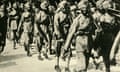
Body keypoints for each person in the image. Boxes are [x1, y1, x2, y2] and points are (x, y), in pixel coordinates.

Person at [63, 0, 94, 72]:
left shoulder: (91, 18)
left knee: (85, 65)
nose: (85, 10)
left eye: (86, 8)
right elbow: (71, 33)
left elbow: (94, 30)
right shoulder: (77, 19)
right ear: (80, 9)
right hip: (80, 41)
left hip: (88, 42)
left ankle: (76, 70)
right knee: (82, 65)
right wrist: (66, 47)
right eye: (83, 9)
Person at [54, 0, 72, 71]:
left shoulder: (69, 14)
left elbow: (72, 23)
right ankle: (57, 64)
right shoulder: (57, 15)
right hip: (60, 34)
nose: (64, 9)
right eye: (63, 7)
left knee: (68, 49)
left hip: (67, 33)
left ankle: (67, 66)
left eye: (66, 7)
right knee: (58, 49)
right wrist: (58, 34)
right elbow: (56, 26)